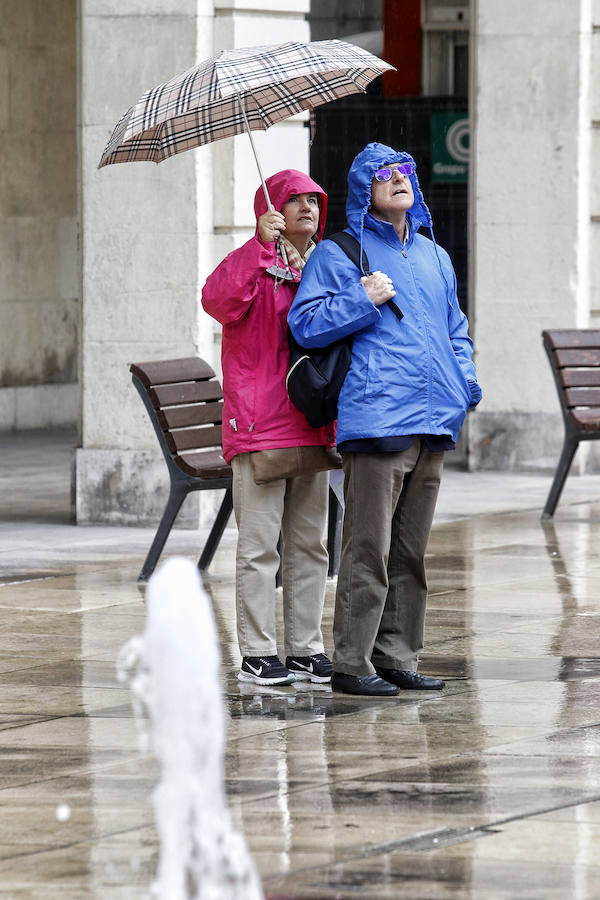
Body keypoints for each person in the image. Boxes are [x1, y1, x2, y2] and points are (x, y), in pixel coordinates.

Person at [288, 142, 482, 697]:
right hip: (376, 415)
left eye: (405, 172)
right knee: (366, 547)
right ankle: (352, 663)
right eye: (384, 174)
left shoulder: (434, 255)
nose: (398, 179)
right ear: (363, 190)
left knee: (411, 552)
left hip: (433, 418)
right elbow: (305, 326)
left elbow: (455, 330)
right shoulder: (338, 253)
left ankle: (397, 654)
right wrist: (362, 297)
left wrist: (464, 383)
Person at [202, 170, 334, 687]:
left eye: (314, 201)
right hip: (260, 426)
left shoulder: (326, 267)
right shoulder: (254, 264)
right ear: (271, 209)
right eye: (294, 200)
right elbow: (217, 300)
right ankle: (258, 651)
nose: (307, 208)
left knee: (310, 545)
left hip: (312, 424)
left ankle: (305, 648)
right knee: (260, 546)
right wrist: (257, 245)